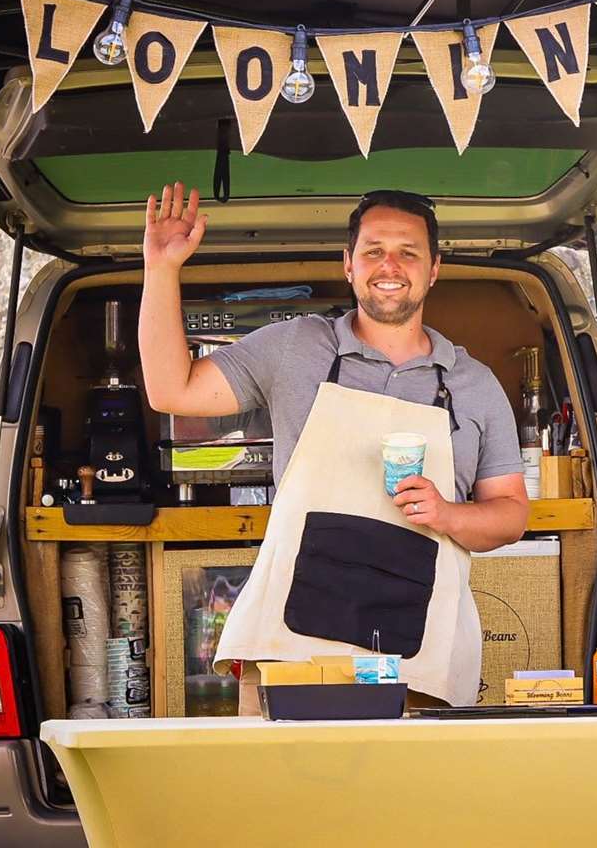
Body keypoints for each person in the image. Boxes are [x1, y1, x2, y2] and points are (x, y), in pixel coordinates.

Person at [138, 183, 529, 706]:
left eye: (408, 252)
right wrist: (161, 269)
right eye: (373, 251)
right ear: (348, 264)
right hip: (290, 652)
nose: (389, 265)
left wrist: (448, 514)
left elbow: (510, 516)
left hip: (415, 663)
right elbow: (171, 390)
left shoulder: (473, 383)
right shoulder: (294, 347)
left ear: (433, 269)